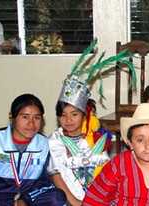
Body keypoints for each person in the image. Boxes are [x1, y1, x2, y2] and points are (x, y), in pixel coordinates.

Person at [82, 103, 149, 205]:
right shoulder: (118, 164)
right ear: (130, 143)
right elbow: (95, 198)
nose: (148, 146)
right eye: (140, 140)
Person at [47, 74, 111, 206]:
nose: (68, 120)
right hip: (69, 199)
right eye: (63, 115)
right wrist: (76, 202)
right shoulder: (55, 141)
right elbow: (56, 175)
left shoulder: (94, 138)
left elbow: (105, 171)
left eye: (74, 114)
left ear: (84, 115)